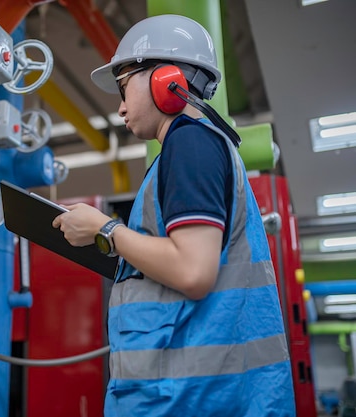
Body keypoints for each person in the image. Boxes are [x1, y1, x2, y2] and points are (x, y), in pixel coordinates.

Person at [51, 14, 296, 417]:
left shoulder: (191, 144)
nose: (120, 106)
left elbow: (193, 272)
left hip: (191, 399)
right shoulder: (188, 150)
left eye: (124, 86)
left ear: (164, 80)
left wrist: (107, 228)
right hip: (194, 395)